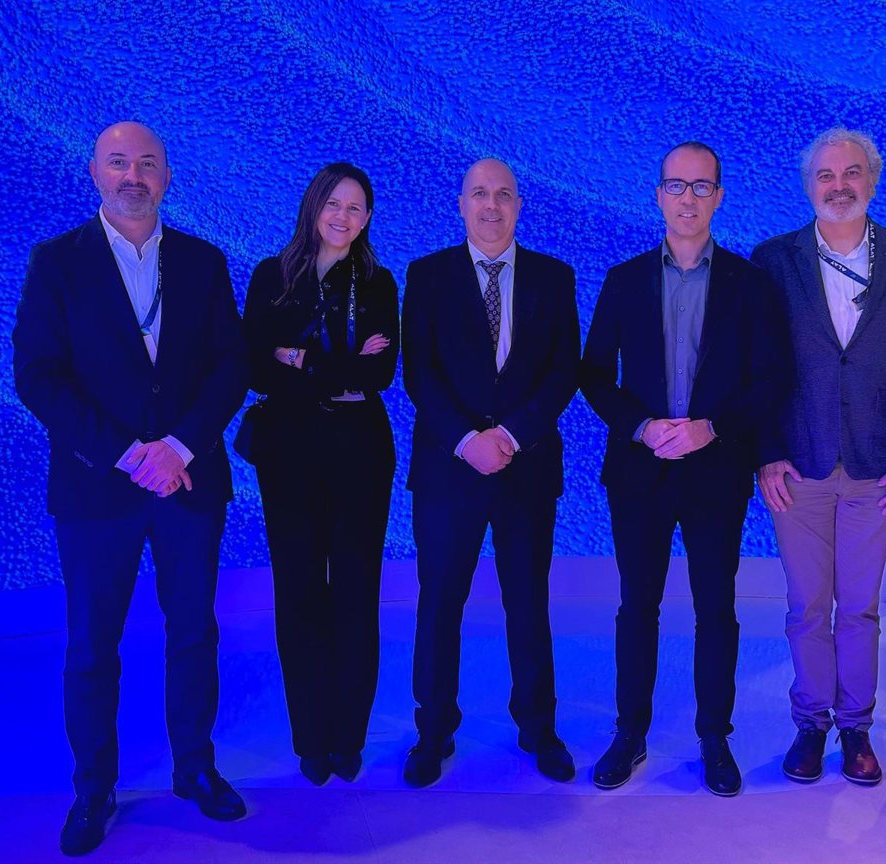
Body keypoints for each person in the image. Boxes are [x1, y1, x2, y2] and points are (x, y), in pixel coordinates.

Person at [12, 121, 249, 856]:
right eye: (118, 162)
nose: (133, 176)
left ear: (167, 177)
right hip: (95, 489)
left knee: (194, 632)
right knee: (91, 646)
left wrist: (176, 447)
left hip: (188, 480)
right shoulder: (56, 262)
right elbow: (38, 376)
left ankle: (195, 768)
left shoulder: (204, 261)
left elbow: (231, 366)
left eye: (147, 163)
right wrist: (125, 454)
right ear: (94, 172)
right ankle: (93, 790)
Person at [580, 141, 789, 796]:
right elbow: (594, 374)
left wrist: (710, 428)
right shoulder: (623, 280)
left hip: (714, 470)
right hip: (639, 472)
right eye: (677, 185)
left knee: (715, 608)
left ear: (719, 197)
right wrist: (642, 427)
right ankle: (630, 733)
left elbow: (771, 378)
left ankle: (714, 737)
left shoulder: (750, 285)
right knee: (636, 607)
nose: (688, 198)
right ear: (659, 195)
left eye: (702, 187)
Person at [751, 127, 886, 786]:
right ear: (808, 186)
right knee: (807, 607)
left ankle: (856, 727)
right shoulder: (773, 259)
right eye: (825, 175)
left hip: (876, 467)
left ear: (873, 180)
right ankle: (810, 723)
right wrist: (766, 451)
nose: (839, 186)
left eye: (851, 172)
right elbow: (754, 367)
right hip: (795, 467)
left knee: (859, 608)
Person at [400, 158, 580, 787]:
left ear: (519, 205)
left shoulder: (555, 277)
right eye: (480, 194)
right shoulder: (426, 276)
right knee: (439, 603)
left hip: (525, 469)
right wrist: (466, 440)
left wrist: (507, 436)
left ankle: (538, 726)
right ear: (461, 204)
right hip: (449, 471)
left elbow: (563, 371)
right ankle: (433, 730)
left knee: (528, 603)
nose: (492, 205)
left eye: (504, 194)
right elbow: (419, 371)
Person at [242, 163, 398, 787]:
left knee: (356, 594)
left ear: (367, 218)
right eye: (333, 203)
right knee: (299, 592)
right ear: (313, 206)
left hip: (362, 455)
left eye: (356, 207)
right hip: (289, 456)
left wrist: (297, 357)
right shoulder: (271, 277)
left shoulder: (379, 284)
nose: (343, 216)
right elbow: (255, 367)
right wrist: (336, 368)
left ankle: (348, 738)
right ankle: (310, 737)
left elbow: (379, 376)